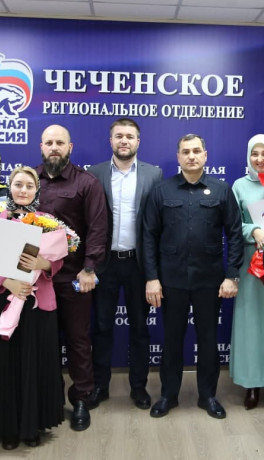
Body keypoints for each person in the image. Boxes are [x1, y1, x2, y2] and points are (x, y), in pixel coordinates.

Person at [143, 133, 244, 420]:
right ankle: (168, 395)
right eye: (185, 151)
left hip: (209, 281)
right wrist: (152, 277)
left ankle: (208, 395)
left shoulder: (222, 190)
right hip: (171, 280)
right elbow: (149, 236)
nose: (191, 156)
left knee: (209, 339)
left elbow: (235, 234)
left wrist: (232, 275)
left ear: (205, 155)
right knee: (172, 339)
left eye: (196, 151)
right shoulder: (162, 191)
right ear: (178, 157)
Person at [0, 166, 64, 450]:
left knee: (34, 363)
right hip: (2, 299)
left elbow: (58, 261)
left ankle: (32, 424)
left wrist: (43, 264)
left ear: (37, 190)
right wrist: (7, 283)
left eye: (29, 185)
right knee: (4, 364)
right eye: (18, 185)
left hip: (37, 302)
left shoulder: (48, 221)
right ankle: (7, 427)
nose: (23, 190)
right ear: (9, 187)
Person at [35, 124, 108, 431]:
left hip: (74, 276)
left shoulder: (87, 183)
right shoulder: (29, 180)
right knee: (43, 340)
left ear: (70, 147)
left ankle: (81, 398)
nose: (54, 147)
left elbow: (98, 228)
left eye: (60, 143)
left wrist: (90, 268)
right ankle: (48, 398)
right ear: (41, 147)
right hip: (37, 277)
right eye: (49, 142)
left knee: (78, 339)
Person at [87, 118, 163, 410]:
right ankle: (100, 386)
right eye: (119, 136)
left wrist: (154, 271)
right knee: (101, 327)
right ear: (111, 140)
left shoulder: (154, 174)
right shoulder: (94, 174)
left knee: (140, 329)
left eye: (130, 136)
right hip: (104, 263)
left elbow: (157, 225)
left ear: (138, 141)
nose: (124, 141)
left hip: (138, 264)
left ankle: (139, 388)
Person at [229, 134, 264, 411]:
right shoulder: (239, 185)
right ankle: (251, 384)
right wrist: (254, 230)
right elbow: (232, 224)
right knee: (251, 324)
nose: (260, 159)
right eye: (254, 154)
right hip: (251, 264)